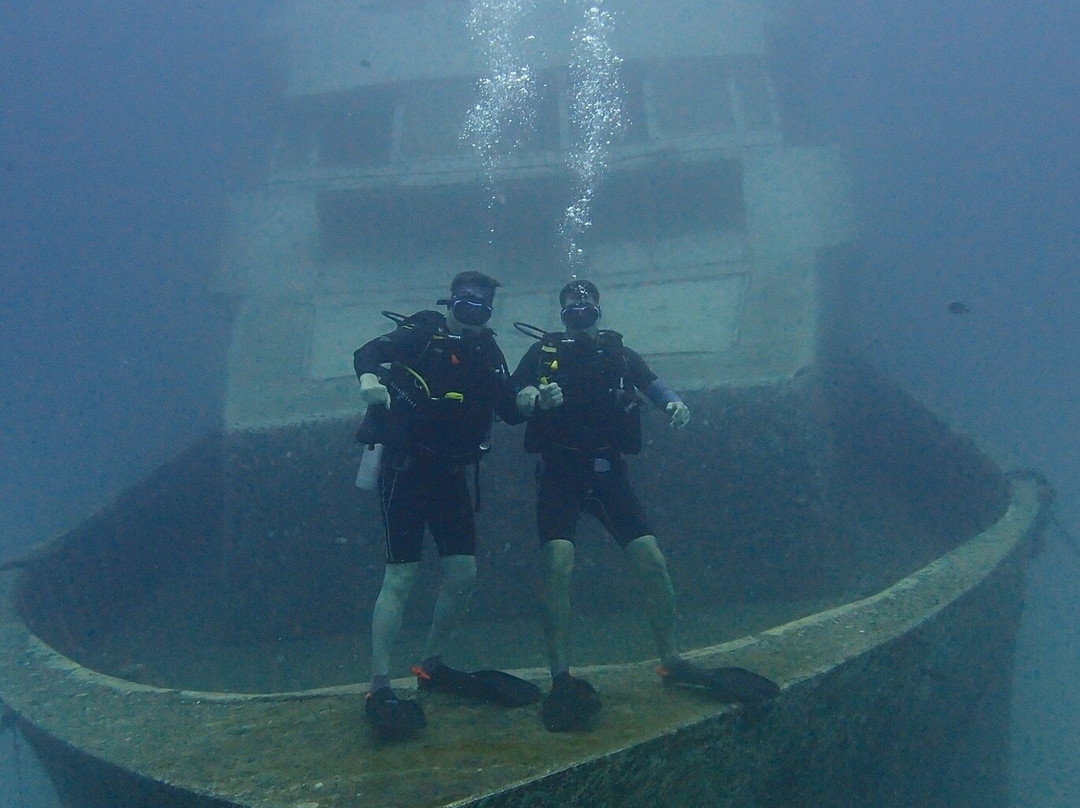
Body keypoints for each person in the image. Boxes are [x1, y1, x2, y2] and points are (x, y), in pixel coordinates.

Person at [512, 279, 779, 732]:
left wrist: (675, 404)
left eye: (586, 302)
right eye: (571, 304)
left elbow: (653, 385)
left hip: (608, 474)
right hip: (560, 473)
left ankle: (671, 659)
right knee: (557, 564)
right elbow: (515, 396)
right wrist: (532, 398)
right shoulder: (542, 354)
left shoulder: (618, 354)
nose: (579, 308)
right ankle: (560, 674)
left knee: (652, 560)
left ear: (599, 308)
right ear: (561, 313)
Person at [353, 271, 538, 740]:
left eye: (482, 305)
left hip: (451, 475)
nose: (473, 311)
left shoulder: (488, 353)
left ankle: (431, 665)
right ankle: (379, 684)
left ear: (490, 312)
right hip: (404, 470)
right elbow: (367, 354)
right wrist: (369, 381)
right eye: (466, 301)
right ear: (451, 300)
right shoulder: (422, 331)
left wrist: (532, 400)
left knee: (463, 574)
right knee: (401, 576)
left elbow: (509, 410)